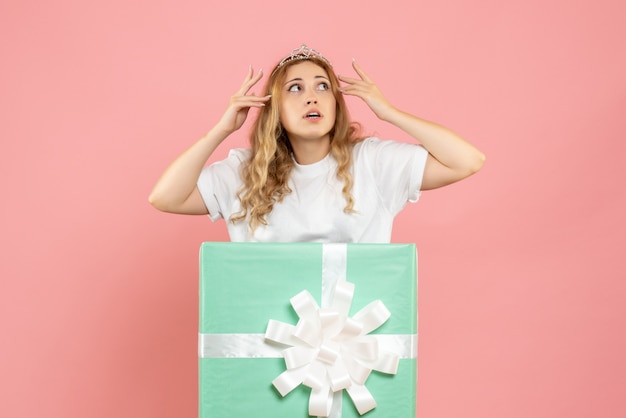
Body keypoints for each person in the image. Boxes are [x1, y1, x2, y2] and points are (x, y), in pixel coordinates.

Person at [149, 45, 485, 242]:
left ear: (337, 103)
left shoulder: (372, 162)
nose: (312, 98)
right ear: (274, 108)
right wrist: (219, 131)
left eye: (323, 87)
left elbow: (467, 161)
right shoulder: (245, 171)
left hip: (357, 347)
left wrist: (389, 113)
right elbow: (165, 197)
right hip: (262, 347)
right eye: (295, 88)